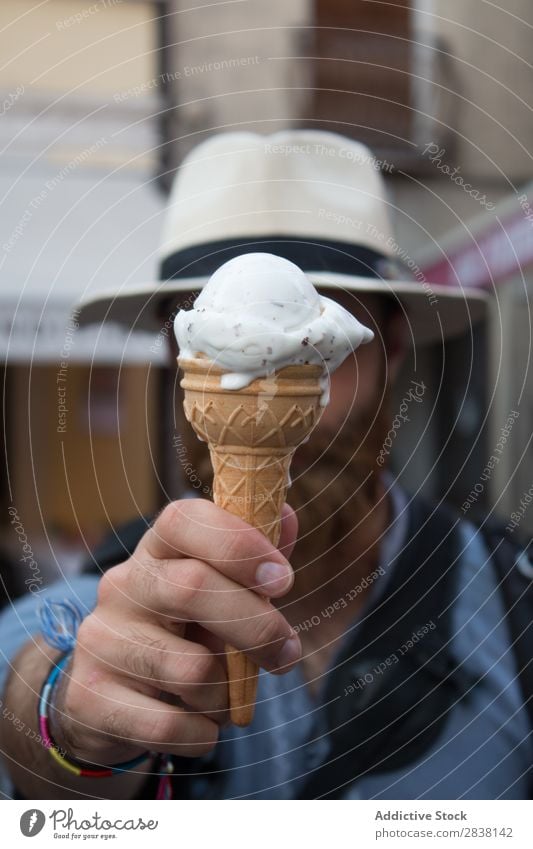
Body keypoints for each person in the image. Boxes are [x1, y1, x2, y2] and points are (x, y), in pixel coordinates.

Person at [1, 131, 531, 801]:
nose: (270, 381)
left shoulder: (512, 604)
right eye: (229, 351)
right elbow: (25, 704)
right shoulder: (94, 609)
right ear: (180, 355)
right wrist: (70, 722)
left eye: (315, 356)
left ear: (388, 345)